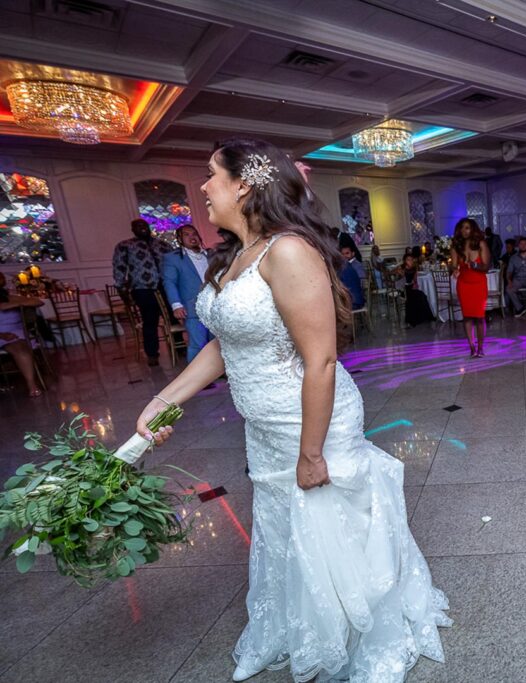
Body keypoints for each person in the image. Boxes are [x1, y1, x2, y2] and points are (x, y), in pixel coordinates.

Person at [134, 138, 448, 682]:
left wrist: (311, 451)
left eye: (211, 175)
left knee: (328, 526)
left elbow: (321, 358)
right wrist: (163, 401)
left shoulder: (288, 250)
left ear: (245, 185)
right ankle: (293, 627)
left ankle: (364, 636)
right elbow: (222, 345)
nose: (203, 187)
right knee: (284, 528)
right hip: (263, 423)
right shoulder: (236, 254)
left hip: (312, 420)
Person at [113, 218, 174, 366]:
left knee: (173, 318)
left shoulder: (163, 245)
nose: (142, 228)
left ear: (149, 227)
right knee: (150, 321)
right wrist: (121, 288)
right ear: (132, 229)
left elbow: (174, 263)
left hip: (166, 287)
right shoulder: (125, 246)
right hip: (143, 289)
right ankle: (152, 354)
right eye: (137, 226)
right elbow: (119, 267)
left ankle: (178, 348)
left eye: (144, 225)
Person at [162, 224, 213, 363]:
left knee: (216, 343)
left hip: (215, 305)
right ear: (179, 239)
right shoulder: (173, 258)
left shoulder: (210, 254)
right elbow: (169, 282)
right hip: (192, 306)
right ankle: (198, 379)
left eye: (194, 234)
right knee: (198, 343)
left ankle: (217, 372)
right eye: (187, 235)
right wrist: (176, 305)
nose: (192, 237)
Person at [451, 217, 491, 357]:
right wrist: (454, 270)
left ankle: (480, 348)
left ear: (472, 229)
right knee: (467, 317)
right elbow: (453, 265)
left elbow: (486, 266)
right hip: (463, 285)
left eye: (467, 227)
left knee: (480, 317)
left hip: (479, 284)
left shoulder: (481, 244)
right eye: (462, 228)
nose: (464, 230)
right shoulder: (457, 246)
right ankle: (472, 348)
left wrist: (474, 265)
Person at [0, 272, 44, 397]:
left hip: (15, 332)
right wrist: (2, 335)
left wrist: (15, 304)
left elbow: (38, 301)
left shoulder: (10, 297)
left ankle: (32, 385)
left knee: (21, 350)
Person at [399, 254, 435, 327]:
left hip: (412, 288)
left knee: (422, 295)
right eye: (408, 260)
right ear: (405, 261)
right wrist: (401, 274)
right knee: (415, 296)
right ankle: (413, 319)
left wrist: (415, 282)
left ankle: (424, 317)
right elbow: (401, 280)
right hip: (405, 289)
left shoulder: (414, 268)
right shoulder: (402, 268)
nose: (410, 261)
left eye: (411, 260)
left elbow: (415, 280)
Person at [338, 244, 366, 309]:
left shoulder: (356, 265)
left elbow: (361, 282)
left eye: (347, 253)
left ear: (353, 253)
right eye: (342, 254)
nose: (344, 256)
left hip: (355, 300)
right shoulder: (344, 266)